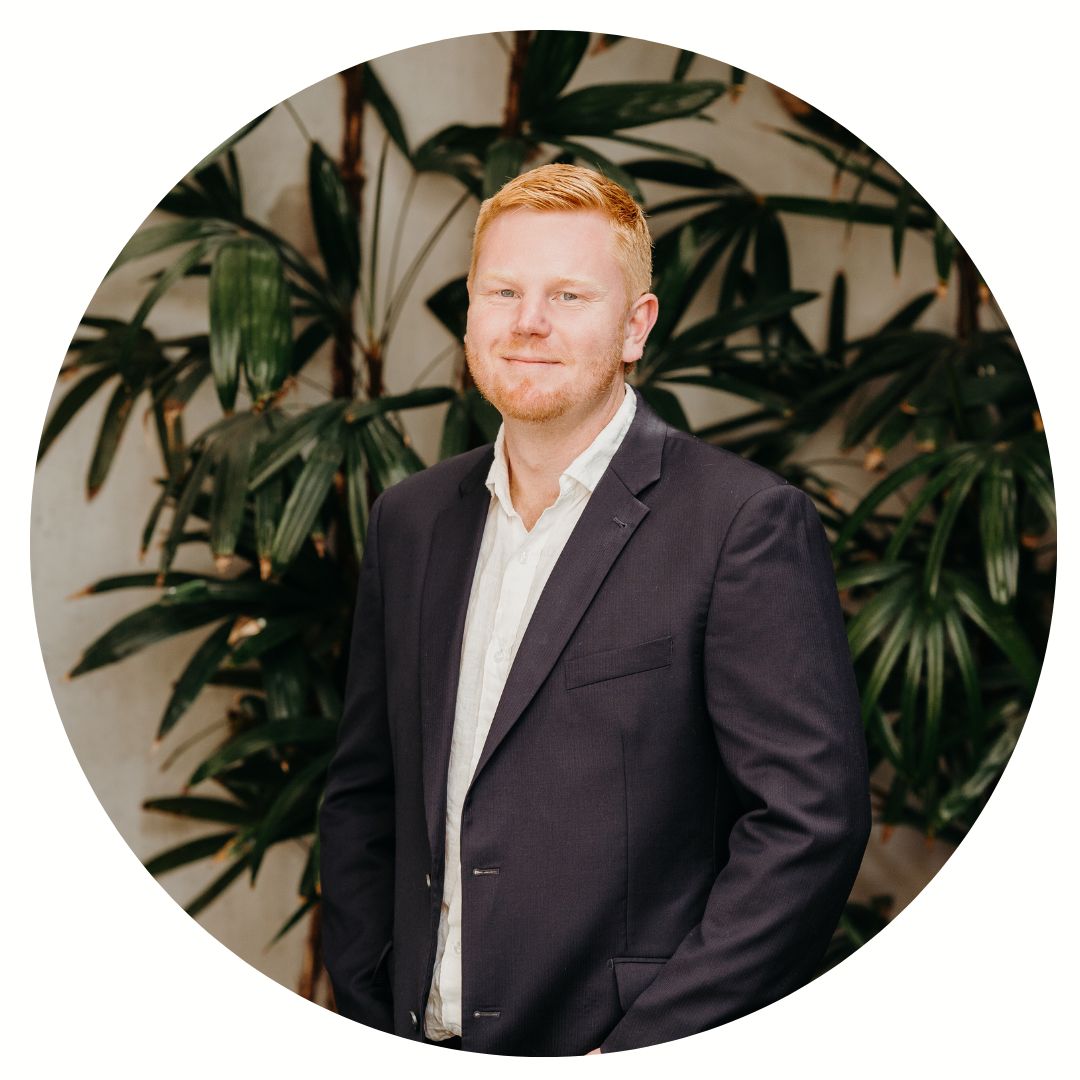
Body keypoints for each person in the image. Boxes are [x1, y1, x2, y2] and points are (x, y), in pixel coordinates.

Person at [318, 163, 871, 1056]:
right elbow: (364, 792)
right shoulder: (410, 520)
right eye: (503, 291)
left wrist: (647, 1051)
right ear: (471, 312)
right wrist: (368, 1002)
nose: (528, 321)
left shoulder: (741, 524)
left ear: (635, 327)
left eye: (569, 295)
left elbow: (810, 827)